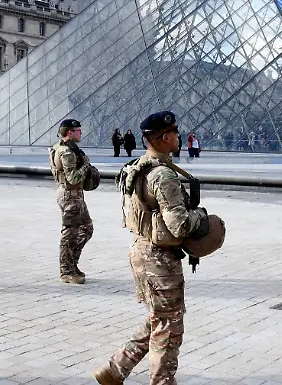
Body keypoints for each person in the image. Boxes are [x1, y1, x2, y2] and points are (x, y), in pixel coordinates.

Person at [93, 111, 208, 385]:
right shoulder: (163, 175)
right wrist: (202, 217)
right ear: (165, 137)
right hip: (160, 259)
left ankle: (114, 369)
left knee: (159, 317)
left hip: (142, 252)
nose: (179, 137)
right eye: (176, 133)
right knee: (169, 327)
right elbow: (179, 225)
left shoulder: (139, 166)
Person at [50, 119, 95, 284]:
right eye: (78, 131)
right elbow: (73, 177)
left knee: (86, 229)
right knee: (70, 234)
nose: (81, 133)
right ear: (70, 132)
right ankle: (66, 271)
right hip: (70, 195)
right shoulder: (67, 152)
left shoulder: (66, 148)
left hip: (74, 195)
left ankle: (71, 264)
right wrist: (86, 165)